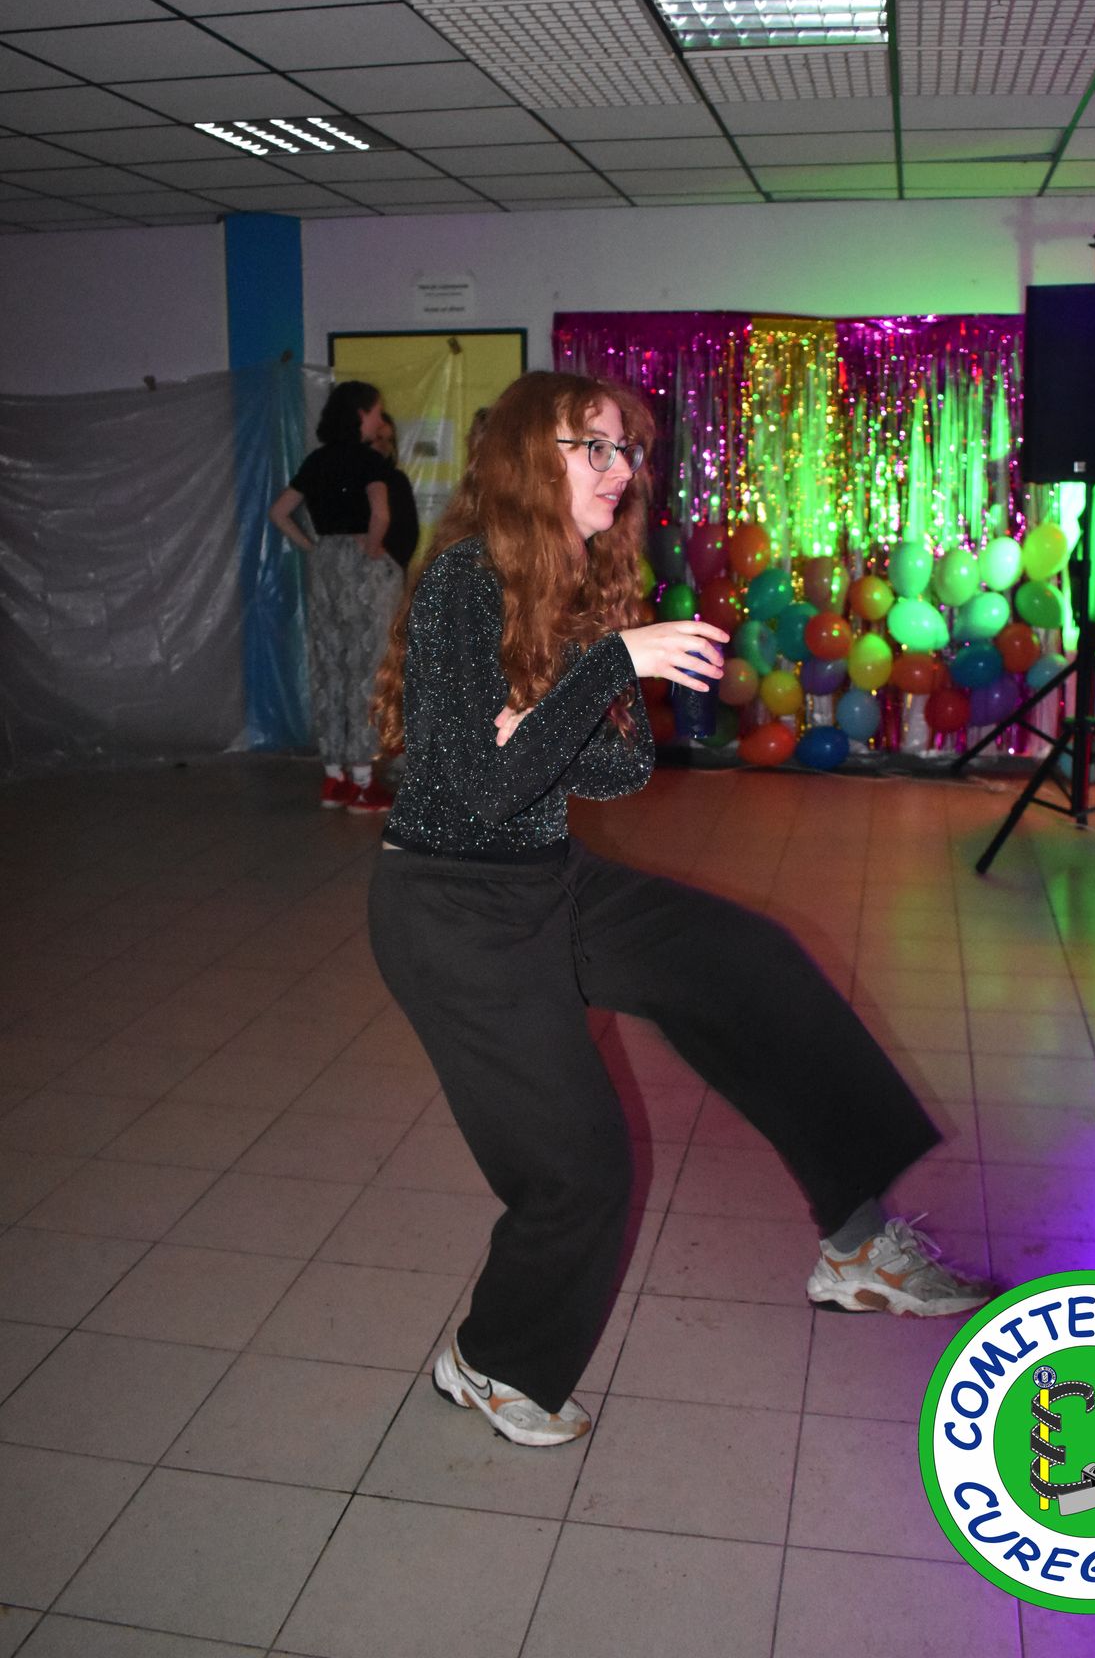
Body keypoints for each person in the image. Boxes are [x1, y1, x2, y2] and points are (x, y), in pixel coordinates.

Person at [367, 369, 985, 1449]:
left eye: (628, 450)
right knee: (581, 1168)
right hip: (453, 910)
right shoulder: (465, 581)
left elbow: (612, 772)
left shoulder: (569, 583)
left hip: (548, 876)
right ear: (529, 459)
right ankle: (491, 1361)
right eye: (593, 448)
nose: (620, 470)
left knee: (752, 970)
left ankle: (856, 1247)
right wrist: (606, 664)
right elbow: (481, 790)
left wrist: (574, 686)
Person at [268, 379, 401, 814]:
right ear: (361, 414)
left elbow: (279, 512)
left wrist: (312, 546)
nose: (379, 420)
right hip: (361, 570)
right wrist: (372, 547)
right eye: (376, 411)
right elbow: (380, 514)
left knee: (329, 665)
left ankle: (333, 777)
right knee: (365, 667)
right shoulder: (369, 461)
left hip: (325, 566)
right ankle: (363, 782)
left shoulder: (317, 460)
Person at [370, 412, 421, 575]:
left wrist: (390, 563)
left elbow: (409, 533)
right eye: (378, 438)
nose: (384, 446)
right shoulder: (348, 478)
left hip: (390, 571)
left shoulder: (397, 480)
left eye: (389, 440)